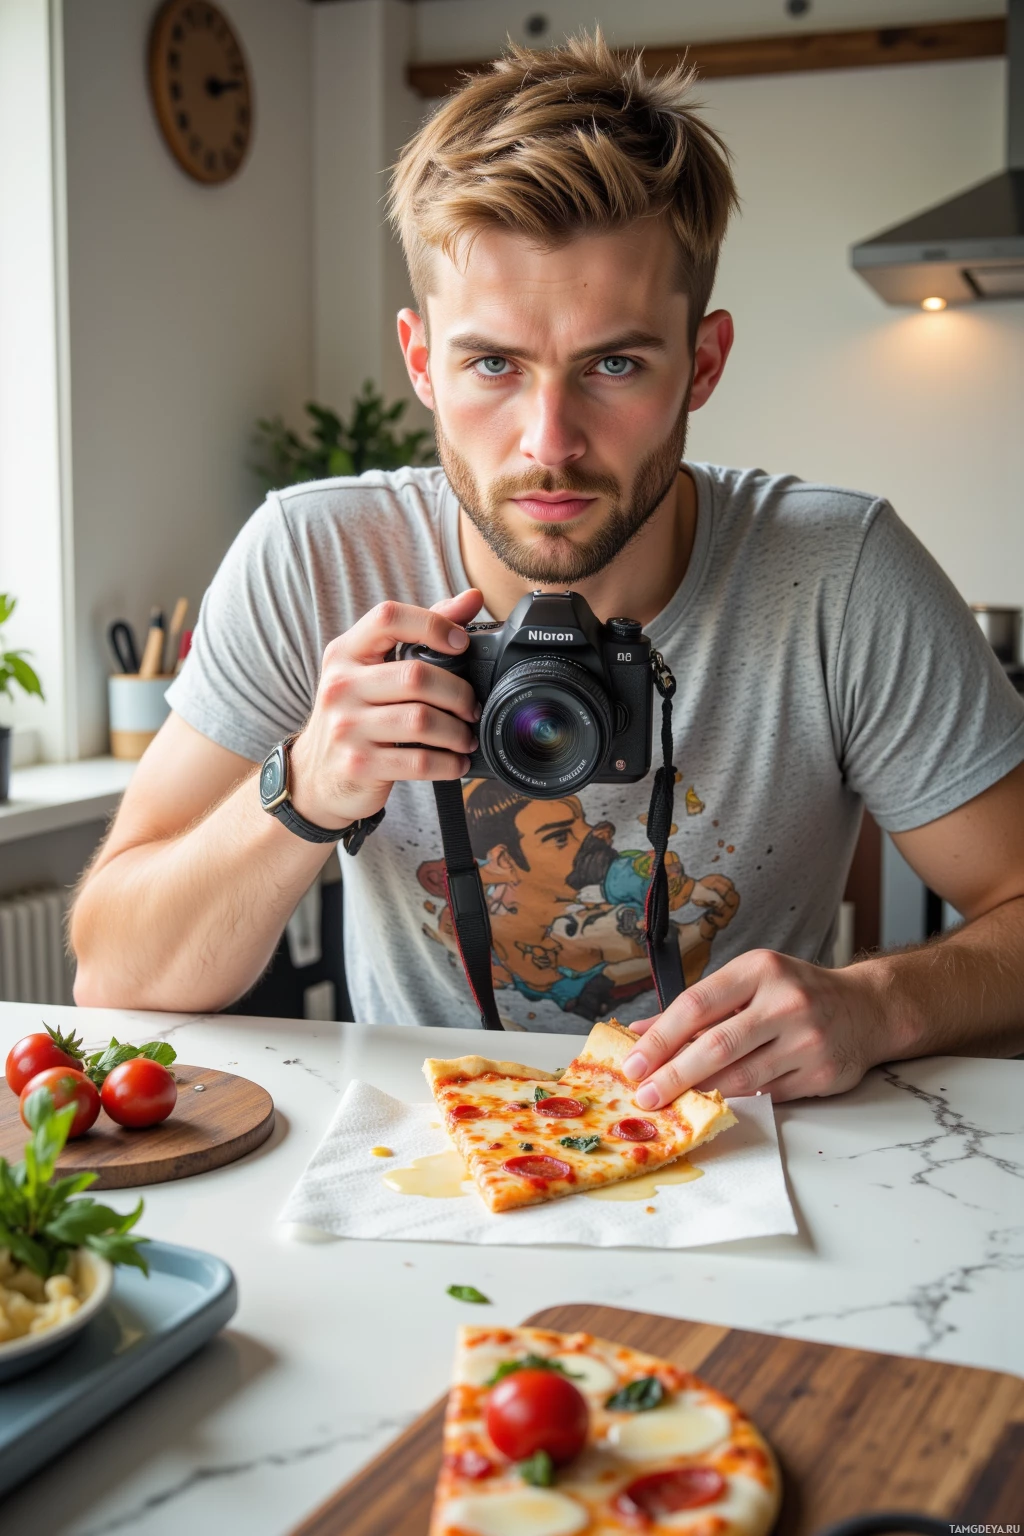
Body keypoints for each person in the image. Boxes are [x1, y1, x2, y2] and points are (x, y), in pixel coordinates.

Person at [71, 34, 1024, 1104]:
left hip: (753, 1158)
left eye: (613, 363)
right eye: (492, 364)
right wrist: (312, 785)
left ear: (701, 363)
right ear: (422, 363)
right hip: (432, 1167)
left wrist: (881, 1001)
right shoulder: (317, 556)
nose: (549, 442)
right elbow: (116, 975)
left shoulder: (837, 573)